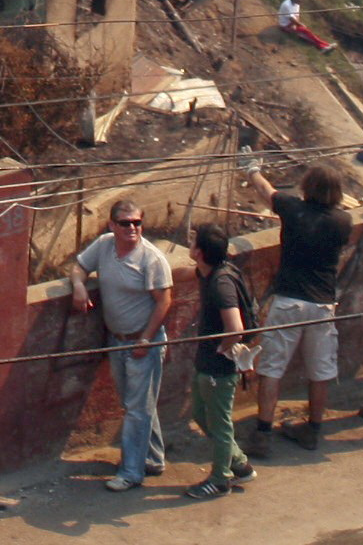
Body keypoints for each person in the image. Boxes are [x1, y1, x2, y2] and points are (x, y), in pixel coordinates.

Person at [241, 160, 350, 450]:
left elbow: (266, 191)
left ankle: (263, 433)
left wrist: (252, 170)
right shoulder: (342, 222)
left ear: (307, 187)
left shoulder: (293, 210)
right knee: (320, 370)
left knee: (272, 368)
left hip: (289, 300)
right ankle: (313, 429)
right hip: (323, 304)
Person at [67, 197, 174, 490]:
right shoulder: (104, 245)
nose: (132, 228)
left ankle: (131, 472)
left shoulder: (151, 259)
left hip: (143, 342)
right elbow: (78, 266)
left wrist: (145, 339)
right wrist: (78, 286)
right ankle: (152, 459)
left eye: (137, 223)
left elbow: (164, 301)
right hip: (117, 341)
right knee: (136, 404)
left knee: (137, 410)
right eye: (125, 223)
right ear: (112, 225)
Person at [184, 224, 255, 501]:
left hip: (219, 367)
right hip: (209, 364)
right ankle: (239, 464)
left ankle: (220, 479)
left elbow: (235, 329)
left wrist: (219, 350)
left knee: (220, 423)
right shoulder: (210, 272)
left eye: (192, 242)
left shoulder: (221, 283)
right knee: (201, 415)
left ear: (199, 252)